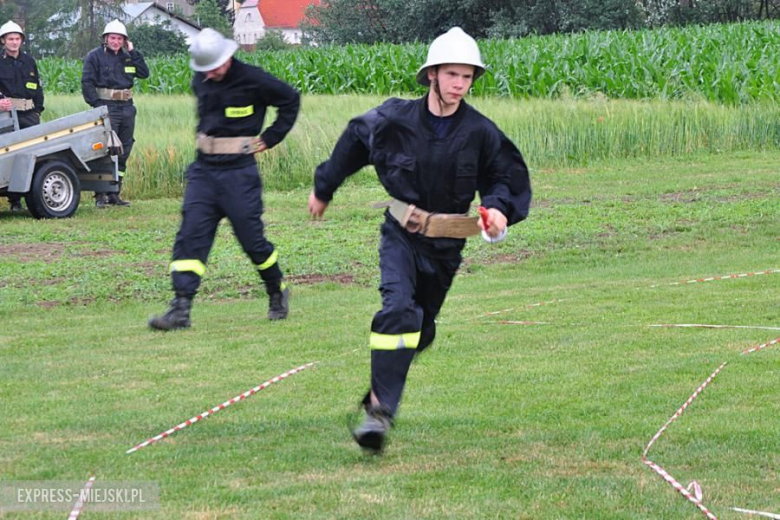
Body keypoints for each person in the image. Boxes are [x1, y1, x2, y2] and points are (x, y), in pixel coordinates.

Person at [309, 27, 532, 453]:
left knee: (421, 330)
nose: (459, 85)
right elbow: (355, 141)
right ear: (431, 74)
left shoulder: (481, 132)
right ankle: (379, 413)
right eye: (451, 75)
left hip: (448, 246)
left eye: (467, 77)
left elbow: (504, 177)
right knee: (398, 312)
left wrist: (500, 209)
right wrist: (324, 188)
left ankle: (380, 389)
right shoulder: (395, 120)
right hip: (401, 234)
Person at [148, 28, 300, 331]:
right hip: (204, 172)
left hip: (239, 174)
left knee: (252, 241)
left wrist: (270, 138)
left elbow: (290, 100)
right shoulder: (201, 78)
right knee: (190, 236)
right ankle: (181, 308)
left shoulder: (253, 79)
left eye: (216, 67)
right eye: (205, 70)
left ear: (228, 57)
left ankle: (276, 291)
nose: (212, 74)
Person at [81, 19, 149, 208]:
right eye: (112, 38)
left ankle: (115, 192)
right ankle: (101, 194)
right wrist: (96, 106)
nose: (116, 42)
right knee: (105, 150)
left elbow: (144, 73)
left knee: (124, 150)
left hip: (127, 108)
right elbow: (87, 83)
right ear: (105, 38)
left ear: (125, 40)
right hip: (106, 107)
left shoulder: (128, 57)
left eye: (120, 39)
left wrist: (133, 52)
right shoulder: (94, 56)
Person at [0, 21, 43, 212]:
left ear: (22, 41)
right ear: (3, 41)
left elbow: (37, 88)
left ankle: (31, 197)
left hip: (29, 115)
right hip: (6, 115)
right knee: (10, 156)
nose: (14, 42)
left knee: (32, 155)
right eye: (10, 39)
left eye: (17, 39)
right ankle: (14, 200)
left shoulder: (29, 61)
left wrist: (37, 111)